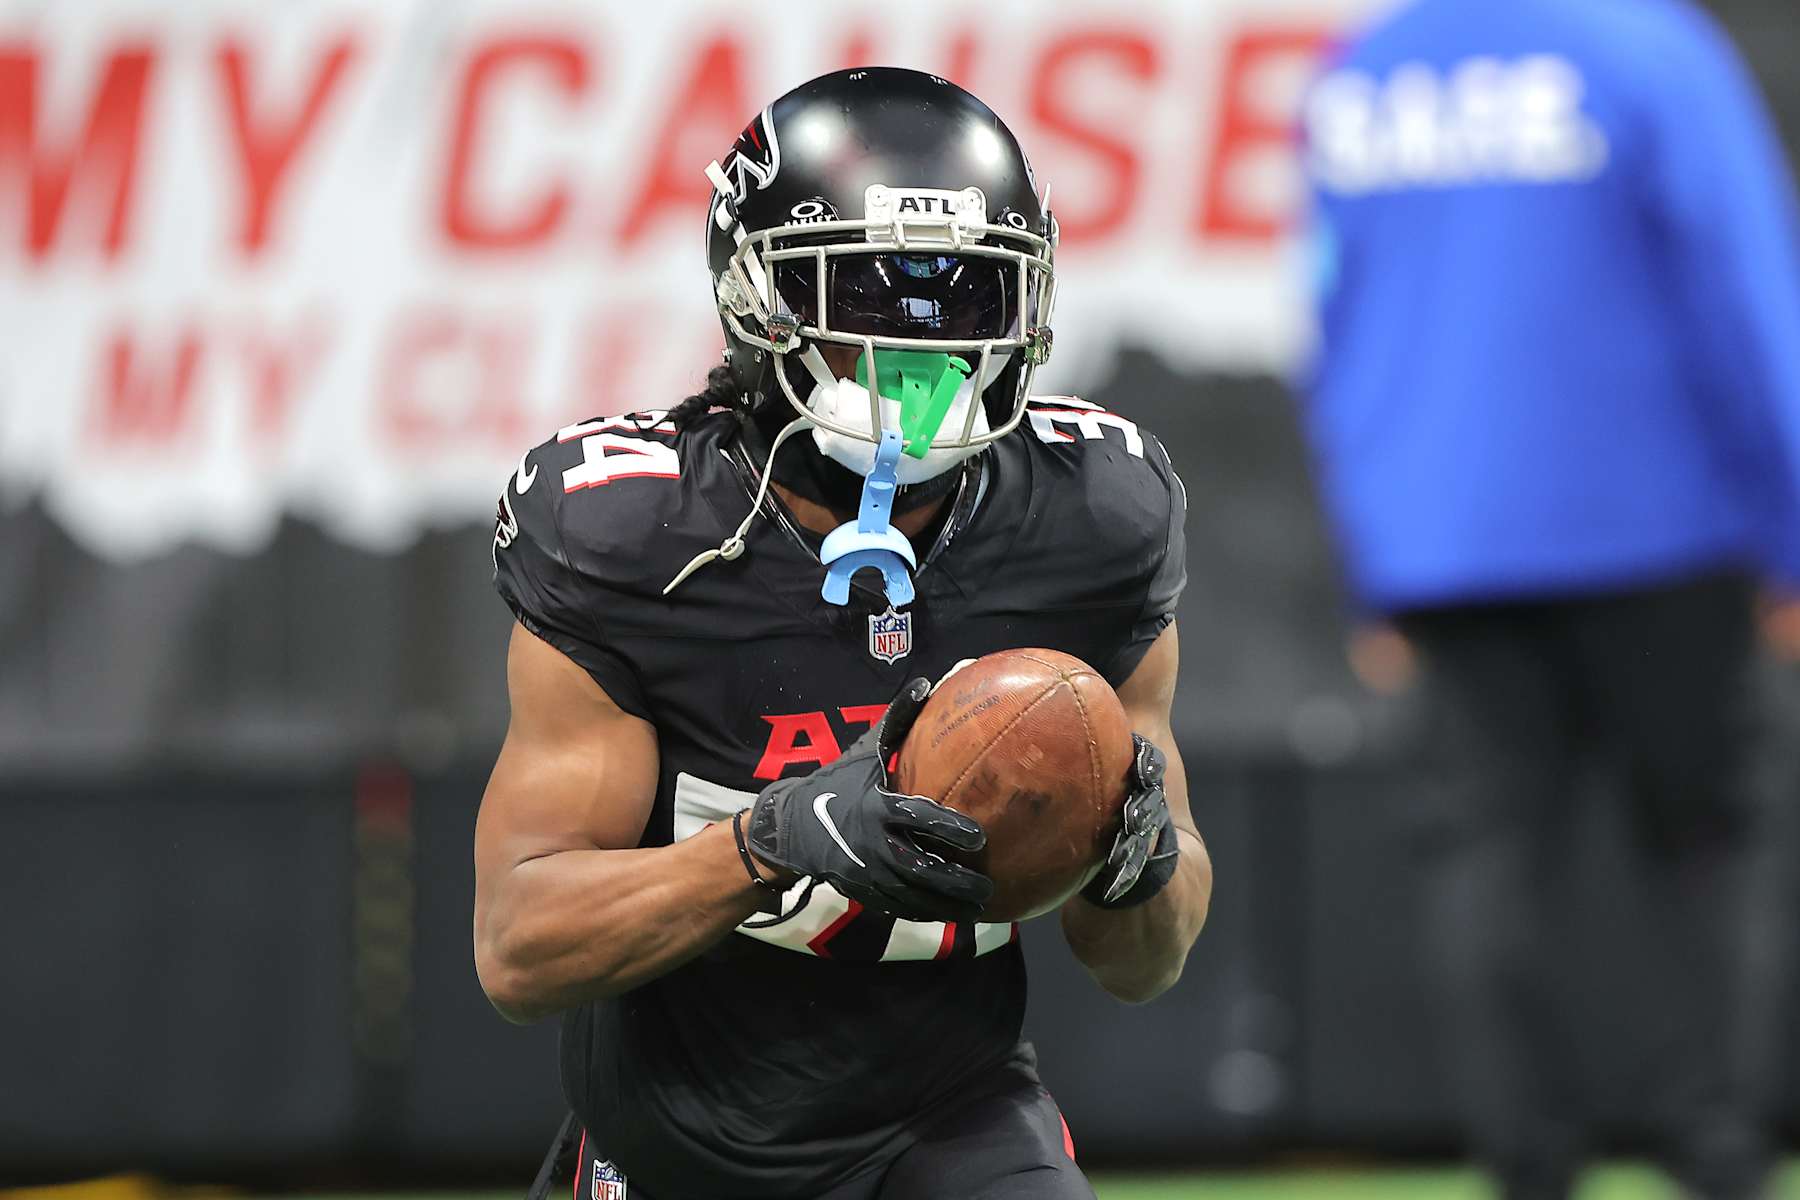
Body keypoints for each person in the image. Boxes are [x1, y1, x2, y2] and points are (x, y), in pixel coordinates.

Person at [474, 68, 1212, 1200]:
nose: (921, 345)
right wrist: (772, 839)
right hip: (678, 1143)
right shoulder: (636, 535)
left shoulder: (1094, 521)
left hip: (949, 1119)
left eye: (967, 294)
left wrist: (1139, 867)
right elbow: (518, 949)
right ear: (756, 296)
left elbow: (1146, 965)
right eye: (866, 291)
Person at [1301, 1, 1800, 1197]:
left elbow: (1334, 328)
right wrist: (1789, 525)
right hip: (1662, 525)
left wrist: (1379, 557)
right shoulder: (1649, 49)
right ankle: (1716, 1155)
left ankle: (1528, 1166)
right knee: (1704, 843)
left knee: (1489, 861)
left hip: (1449, 545)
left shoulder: (1367, 74)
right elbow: (1744, 288)